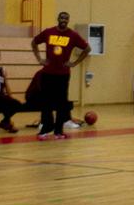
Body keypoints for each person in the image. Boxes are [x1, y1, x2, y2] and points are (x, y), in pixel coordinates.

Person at [31, 12, 91, 140]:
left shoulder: (73, 35)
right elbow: (34, 42)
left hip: (63, 75)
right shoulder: (48, 32)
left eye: (66, 18)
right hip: (48, 74)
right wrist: (39, 58)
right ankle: (46, 128)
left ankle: (58, 131)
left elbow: (87, 49)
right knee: (46, 103)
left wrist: (74, 63)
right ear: (58, 19)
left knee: (61, 104)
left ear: (68, 20)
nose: (64, 20)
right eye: (62, 18)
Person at [0, 50, 24, 133]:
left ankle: (5, 122)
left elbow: (5, 84)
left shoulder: (2, 70)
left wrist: (10, 96)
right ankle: (7, 123)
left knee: (16, 104)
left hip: (0, 96)